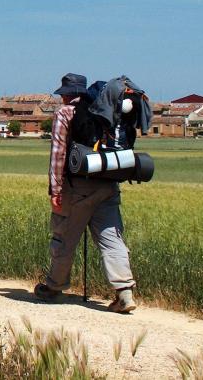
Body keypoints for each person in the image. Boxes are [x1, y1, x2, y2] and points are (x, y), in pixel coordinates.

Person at [34, 73, 137, 313]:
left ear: (67, 94)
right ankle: (124, 293)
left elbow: (59, 152)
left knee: (64, 236)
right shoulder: (106, 109)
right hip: (109, 183)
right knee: (112, 239)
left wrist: (56, 189)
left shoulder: (65, 113)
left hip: (78, 188)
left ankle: (53, 287)